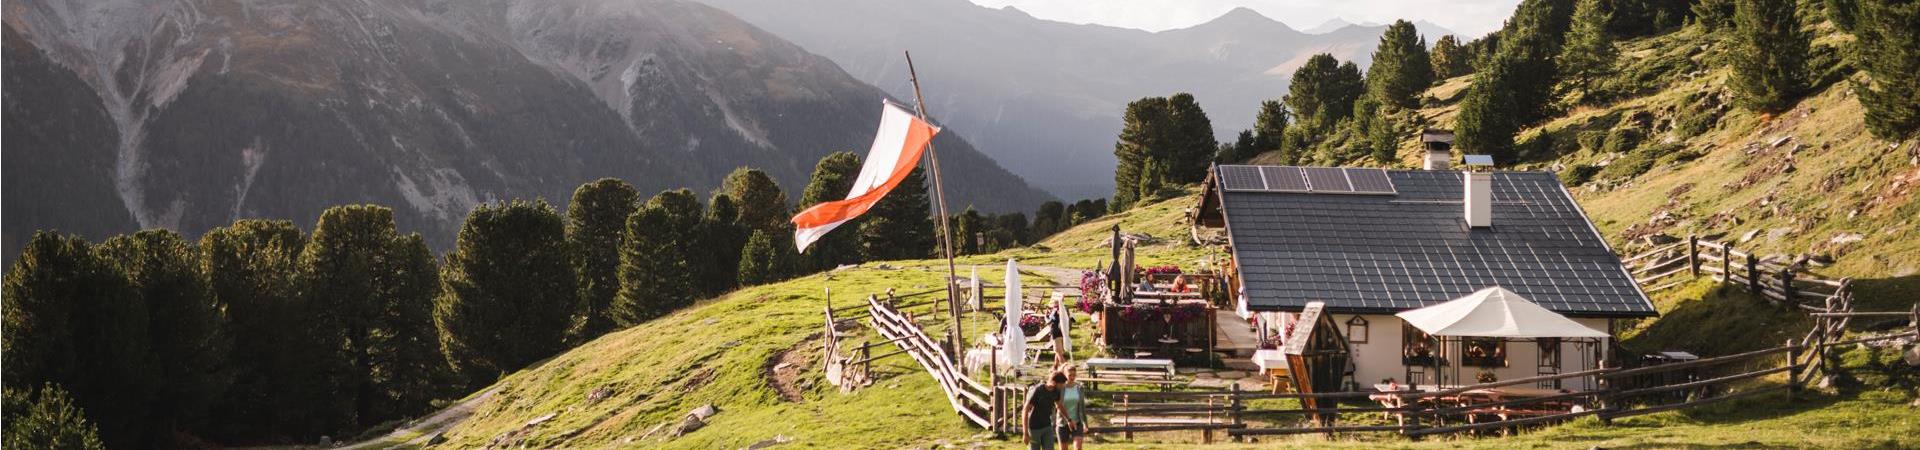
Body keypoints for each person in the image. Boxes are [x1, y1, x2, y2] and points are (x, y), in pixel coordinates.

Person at [1022, 371, 1072, 450]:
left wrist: (1069, 420)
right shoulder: (1037, 390)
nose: (1063, 386)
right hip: (1034, 428)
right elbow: (1025, 410)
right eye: (1061, 384)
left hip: (1047, 426)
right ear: (1054, 382)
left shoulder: (1056, 391)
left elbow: (1059, 406)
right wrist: (1025, 433)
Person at [1056, 366, 1087, 450]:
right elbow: (1058, 406)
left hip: (1077, 422)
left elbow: (1082, 406)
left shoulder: (1079, 388)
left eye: (1074, 375)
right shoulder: (1060, 388)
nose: (1072, 377)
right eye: (1070, 375)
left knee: (1078, 447)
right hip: (1063, 422)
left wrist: (1085, 423)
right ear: (1065, 375)